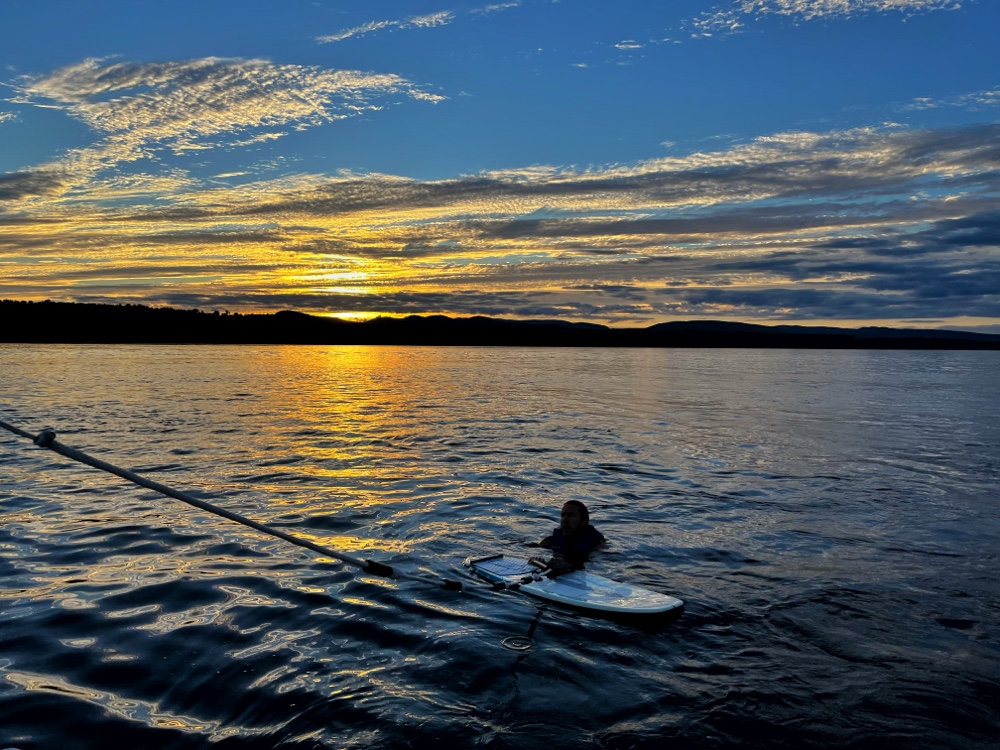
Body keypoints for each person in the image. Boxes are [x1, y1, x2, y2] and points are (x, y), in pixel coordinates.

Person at [529, 500, 605, 569]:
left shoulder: (597, 545)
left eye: (571, 515)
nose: (565, 520)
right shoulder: (549, 541)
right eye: (563, 515)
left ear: (583, 521)